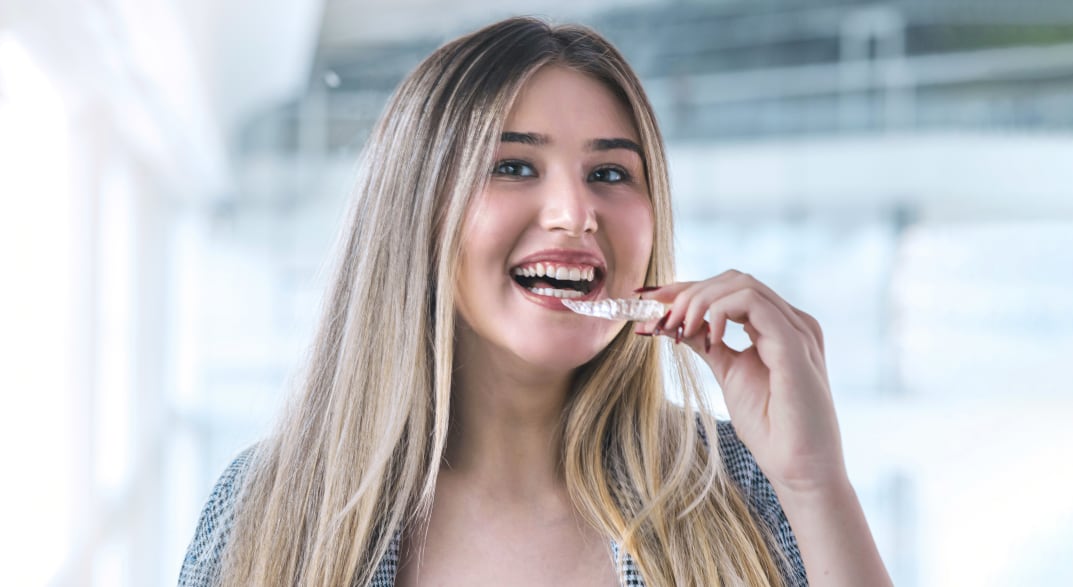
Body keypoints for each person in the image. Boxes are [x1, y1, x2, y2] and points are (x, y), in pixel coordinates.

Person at [179, 16, 891, 587]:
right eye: (514, 165)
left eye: (610, 172)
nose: (575, 212)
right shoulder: (265, 510)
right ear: (414, 214)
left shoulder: (738, 486)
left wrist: (814, 483)